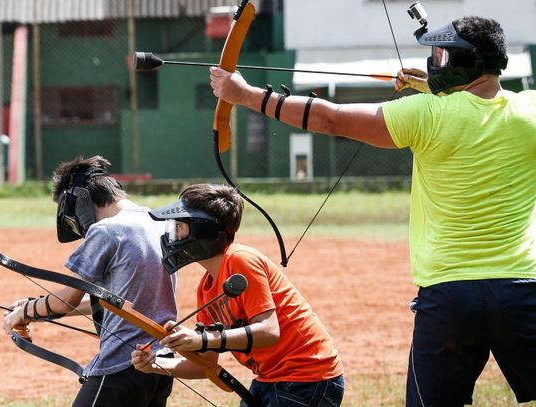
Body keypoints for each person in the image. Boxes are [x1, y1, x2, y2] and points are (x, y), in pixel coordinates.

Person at [209, 14, 536, 407]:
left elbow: (330, 118)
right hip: (522, 291)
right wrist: (433, 85)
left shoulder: (426, 114)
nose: (435, 61)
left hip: (449, 298)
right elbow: (485, 105)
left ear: (465, 62)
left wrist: (244, 95)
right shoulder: (529, 110)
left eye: (443, 55)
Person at [131, 183, 344, 407]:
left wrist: (202, 339)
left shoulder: (240, 259)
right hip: (270, 379)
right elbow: (205, 365)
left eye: (180, 226)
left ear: (203, 230)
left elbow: (269, 331)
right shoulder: (206, 287)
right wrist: (155, 364)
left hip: (308, 378)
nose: (172, 235)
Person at [2, 155, 178, 407]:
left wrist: (23, 312)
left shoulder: (107, 230)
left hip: (121, 366)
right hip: (160, 364)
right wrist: (35, 309)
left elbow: (66, 300)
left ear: (81, 201)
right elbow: (121, 299)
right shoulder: (159, 222)